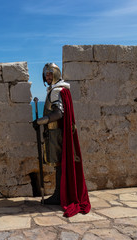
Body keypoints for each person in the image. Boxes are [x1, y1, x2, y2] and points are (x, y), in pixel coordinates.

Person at [33, 63, 91, 217]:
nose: (48, 77)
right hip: (57, 132)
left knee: (58, 164)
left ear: (57, 74)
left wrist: (40, 121)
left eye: (50, 74)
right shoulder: (59, 89)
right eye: (46, 74)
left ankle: (58, 195)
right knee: (59, 164)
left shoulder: (56, 91)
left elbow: (59, 113)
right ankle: (59, 193)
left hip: (55, 133)